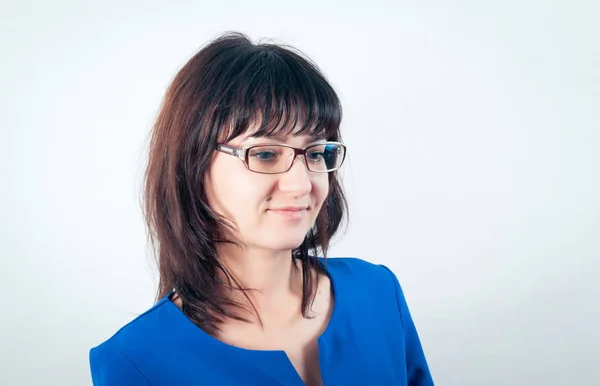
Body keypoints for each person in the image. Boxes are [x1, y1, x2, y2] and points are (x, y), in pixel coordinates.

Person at [89, 32, 434, 386]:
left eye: (315, 153)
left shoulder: (377, 292)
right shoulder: (135, 361)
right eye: (266, 154)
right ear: (193, 166)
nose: (301, 184)